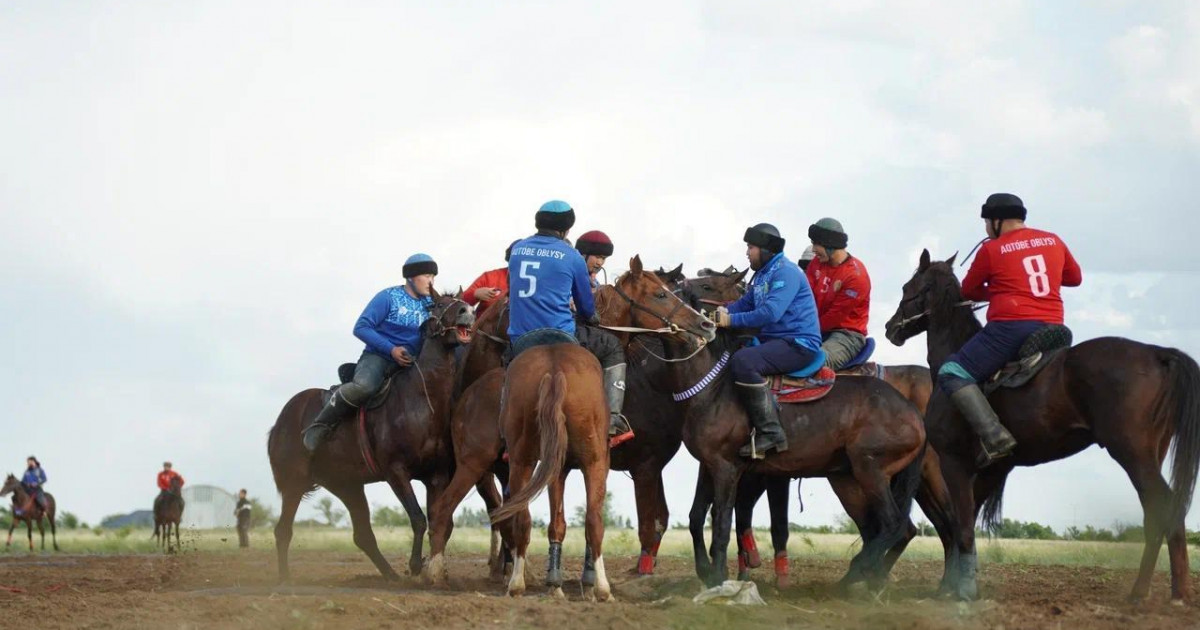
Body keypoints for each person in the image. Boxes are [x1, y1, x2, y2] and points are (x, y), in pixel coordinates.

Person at [937, 193, 1082, 465]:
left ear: (997, 221)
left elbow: (968, 290)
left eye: (986, 223)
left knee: (952, 371)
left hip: (1011, 327)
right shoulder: (1053, 240)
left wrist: (998, 290)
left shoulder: (992, 250)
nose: (986, 229)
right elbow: (1075, 278)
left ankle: (995, 437)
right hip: (1054, 324)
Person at [507, 201, 632, 446]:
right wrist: (592, 317)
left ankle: (506, 424)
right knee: (612, 347)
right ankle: (613, 419)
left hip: (520, 336)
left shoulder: (517, 250)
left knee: (508, 363)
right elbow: (585, 305)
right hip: (560, 334)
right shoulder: (571, 256)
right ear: (566, 229)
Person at [303, 253, 439, 453]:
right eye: (426, 276)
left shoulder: (432, 304)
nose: (431, 281)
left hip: (414, 362)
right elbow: (361, 327)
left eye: (433, 277)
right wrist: (391, 349)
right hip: (379, 356)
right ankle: (321, 424)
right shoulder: (388, 297)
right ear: (411, 277)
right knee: (364, 387)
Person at [714, 224, 823, 458]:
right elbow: (744, 304)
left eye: (751, 247)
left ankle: (771, 432)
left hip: (798, 344)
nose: (747, 253)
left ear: (765, 250)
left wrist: (730, 320)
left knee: (743, 361)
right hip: (774, 342)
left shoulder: (786, 272)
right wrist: (716, 314)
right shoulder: (763, 274)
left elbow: (771, 313)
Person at [806, 218, 872, 370]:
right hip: (815, 328)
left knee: (812, 360)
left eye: (816, 244)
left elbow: (833, 317)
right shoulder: (816, 263)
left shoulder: (856, 277)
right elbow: (805, 298)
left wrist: (803, 330)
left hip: (846, 336)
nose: (813, 249)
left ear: (830, 244)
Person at [464, 241, 518, 315]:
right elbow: (460, 302)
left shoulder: (534, 281)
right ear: (509, 258)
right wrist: (475, 294)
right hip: (485, 321)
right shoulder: (490, 277)